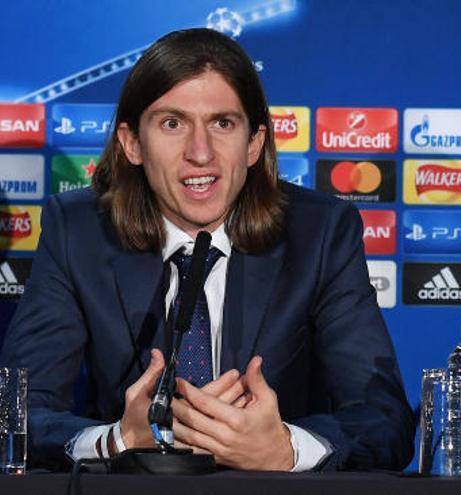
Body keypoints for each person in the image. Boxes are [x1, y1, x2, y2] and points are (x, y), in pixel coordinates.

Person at [0, 28, 414, 471]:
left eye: (223, 123)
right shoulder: (77, 231)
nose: (201, 153)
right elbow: (16, 414)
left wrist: (285, 449)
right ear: (133, 143)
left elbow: (383, 422)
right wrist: (116, 440)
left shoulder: (320, 233)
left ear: (254, 143)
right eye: (172, 123)